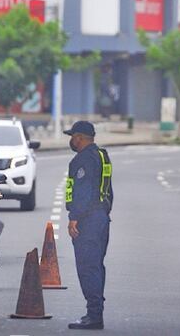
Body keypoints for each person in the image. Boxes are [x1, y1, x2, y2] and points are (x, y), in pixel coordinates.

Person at [65, 121, 113, 330]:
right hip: (101, 217)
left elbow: (83, 191)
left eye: (72, 136)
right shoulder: (102, 156)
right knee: (96, 265)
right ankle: (95, 312)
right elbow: (106, 190)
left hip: (88, 220)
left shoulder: (81, 160)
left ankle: (94, 316)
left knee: (88, 267)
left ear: (80, 137)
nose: (71, 140)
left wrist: (74, 217)